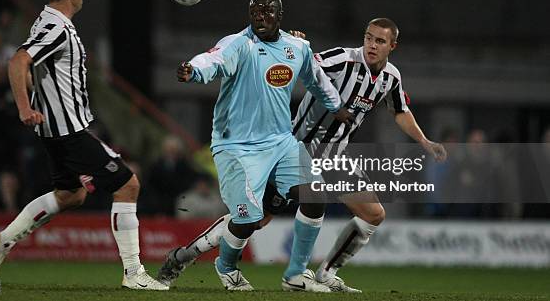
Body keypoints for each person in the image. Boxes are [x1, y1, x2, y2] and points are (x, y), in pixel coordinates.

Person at [159, 17, 447, 292]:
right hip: (297, 148)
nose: (372, 45)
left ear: (392, 46)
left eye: (380, 41)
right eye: (369, 38)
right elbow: (303, 62)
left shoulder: (391, 78)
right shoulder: (340, 59)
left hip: (335, 155)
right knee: (254, 220)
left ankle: (326, 273)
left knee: (373, 214)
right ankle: (184, 256)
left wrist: (424, 141)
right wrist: (293, 44)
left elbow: (399, 110)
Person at [0, 0, 167, 291]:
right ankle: (133, 272)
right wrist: (25, 106)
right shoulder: (58, 29)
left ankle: (2, 241)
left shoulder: (46, 21)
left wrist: (34, 97)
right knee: (128, 185)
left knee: (71, 195)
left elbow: (28, 65)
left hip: (58, 130)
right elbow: (18, 61)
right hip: (68, 132)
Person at [171, 0, 353, 292]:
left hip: (280, 142)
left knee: (314, 196)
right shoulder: (237, 44)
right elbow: (212, 60)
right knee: (248, 220)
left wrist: (336, 107)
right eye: (255, 12)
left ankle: (295, 275)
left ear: (279, 16)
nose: (261, 17)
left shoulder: (297, 47)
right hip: (236, 146)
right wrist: (193, 71)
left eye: (268, 12)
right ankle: (226, 266)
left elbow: (316, 80)